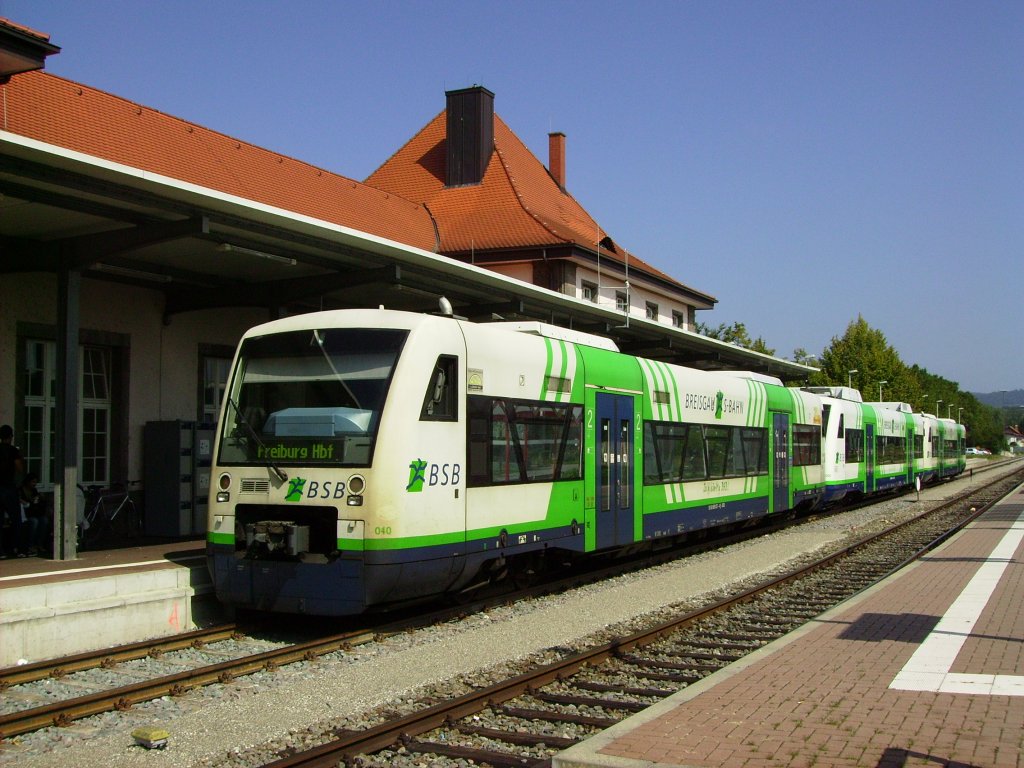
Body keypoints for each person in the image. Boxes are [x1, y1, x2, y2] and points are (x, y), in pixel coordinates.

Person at [0, 424, 25, 558]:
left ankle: (1, 551)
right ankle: (16, 548)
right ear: (10, 437)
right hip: (9, 487)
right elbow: (19, 468)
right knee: (16, 520)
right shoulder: (13, 451)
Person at [19, 473, 49, 557]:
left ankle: (39, 544)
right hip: (25, 514)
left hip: (34, 512)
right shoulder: (21, 490)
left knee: (44, 520)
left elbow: (36, 503)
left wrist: (39, 499)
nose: (34, 484)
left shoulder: (34, 490)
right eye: (32, 482)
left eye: (35, 482)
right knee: (34, 522)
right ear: (28, 482)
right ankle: (30, 545)